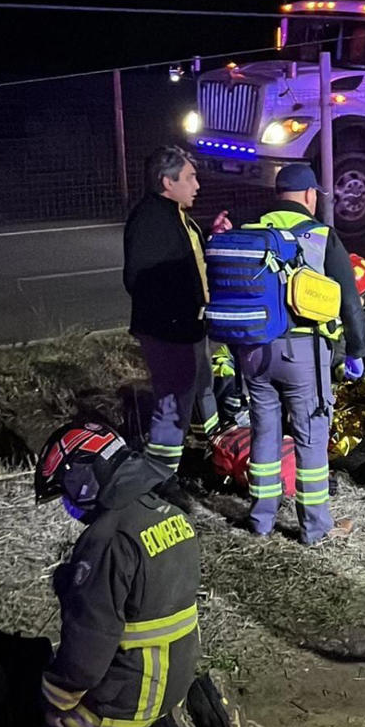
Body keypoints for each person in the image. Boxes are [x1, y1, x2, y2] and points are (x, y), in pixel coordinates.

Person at [33, 420, 239, 727]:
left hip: (133, 697)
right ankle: (193, 709)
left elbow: (86, 654)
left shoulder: (107, 541)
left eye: (64, 491)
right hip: (175, 674)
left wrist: (56, 702)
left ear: (85, 478)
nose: (66, 503)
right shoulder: (170, 515)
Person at [235, 163, 365, 545]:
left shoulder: (252, 231)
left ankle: (260, 519)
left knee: (264, 432)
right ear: (310, 195)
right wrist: (357, 350)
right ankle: (314, 527)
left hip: (254, 350)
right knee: (310, 436)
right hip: (301, 353)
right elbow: (349, 300)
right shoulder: (321, 236)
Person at [123, 146, 229, 498]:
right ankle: (159, 479)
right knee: (172, 403)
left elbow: (188, 261)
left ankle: (205, 453)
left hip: (188, 329)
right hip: (171, 334)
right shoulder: (152, 222)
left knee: (200, 389)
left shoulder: (174, 216)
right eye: (189, 178)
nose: (197, 185)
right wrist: (177, 321)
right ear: (167, 182)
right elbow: (140, 279)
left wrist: (211, 235)